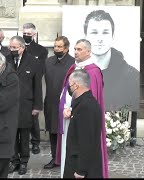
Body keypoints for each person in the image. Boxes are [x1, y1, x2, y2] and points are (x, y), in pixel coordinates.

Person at [55, 39, 108, 178]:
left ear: (89, 51)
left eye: (79, 49)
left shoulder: (94, 71)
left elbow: (91, 98)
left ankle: (80, 170)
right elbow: (65, 92)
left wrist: (73, 110)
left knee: (83, 144)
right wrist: (65, 108)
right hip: (69, 117)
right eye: (75, 49)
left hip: (82, 117)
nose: (76, 52)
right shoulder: (73, 68)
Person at [83, 9, 139, 111]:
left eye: (105, 33)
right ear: (85, 37)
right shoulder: (78, 72)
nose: (100, 38)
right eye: (94, 32)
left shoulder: (132, 76)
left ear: (113, 37)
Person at [6, 36, 43, 175]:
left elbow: (37, 86)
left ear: (22, 47)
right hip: (9, 105)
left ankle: (24, 162)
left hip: (26, 105)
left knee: (24, 135)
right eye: (11, 47)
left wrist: (37, 106)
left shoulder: (33, 62)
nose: (12, 50)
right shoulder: (6, 59)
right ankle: (14, 160)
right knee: (12, 135)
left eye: (15, 48)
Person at [43, 36, 75, 169]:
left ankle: (68, 159)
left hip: (67, 104)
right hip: (51, 102)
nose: (56, 49)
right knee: (53, 131)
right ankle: (54, 158)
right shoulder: (49, 61)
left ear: (66, 49)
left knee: (67, 132)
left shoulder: (73, 63)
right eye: (55, 46)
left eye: (59, 46)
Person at [64, 69, 102, 178]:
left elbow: (87, 141)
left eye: (70, 84)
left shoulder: (85, 107)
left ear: (76, 85)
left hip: (82, 169)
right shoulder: (83, 103)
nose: (69, 88)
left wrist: (81, 170)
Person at [22, 23, 48, 154]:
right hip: (20, 86)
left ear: (34, 34)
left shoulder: (41, 50)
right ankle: (23, 142)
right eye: (24, 33)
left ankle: (35, 142)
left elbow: (41, 69)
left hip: (34, 85)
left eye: (28, 34)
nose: (26, 36)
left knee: (34, 117)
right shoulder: (18, 47)